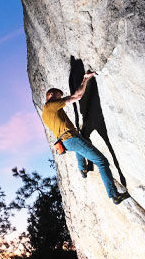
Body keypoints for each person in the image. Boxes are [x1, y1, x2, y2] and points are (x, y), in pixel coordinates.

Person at [42, 72, 130, 204]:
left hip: (66, 142)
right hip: (71, 139)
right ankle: (114, 196)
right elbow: (76, 96)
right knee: (101, 161)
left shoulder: (45, 113)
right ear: (51, 95)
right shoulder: (51, 105)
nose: (60, 99)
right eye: (58, 97)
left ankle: (82, 169)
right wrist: (85, 79)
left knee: (82, 141)